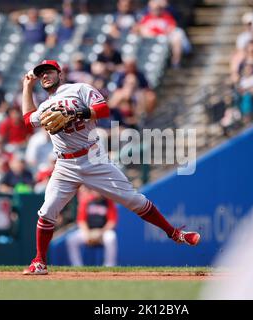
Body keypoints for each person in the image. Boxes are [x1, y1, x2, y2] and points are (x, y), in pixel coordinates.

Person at [21, 59, 200, 275]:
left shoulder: (79, 89)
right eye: (41, 75)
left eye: (49, 71)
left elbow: (103, 110)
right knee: (47, 211)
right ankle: (39, 261)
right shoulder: (44, 106)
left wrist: (78, 113)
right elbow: (27, 120)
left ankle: (175, 234)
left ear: (60, 74)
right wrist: (27, 87)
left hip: (93, 158)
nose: (45, 76)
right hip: (65, 164)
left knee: (135, 200)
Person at [66, 187, 118, 266]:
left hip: (103, 232)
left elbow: (112, 222)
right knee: (71, 239)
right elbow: (81, 221)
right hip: (87, 231)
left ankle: (109, 266)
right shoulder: (86, 200)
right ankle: (77, 266)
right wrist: (88, 234)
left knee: (111, 237)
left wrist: (100, 232)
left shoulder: (108, 202)